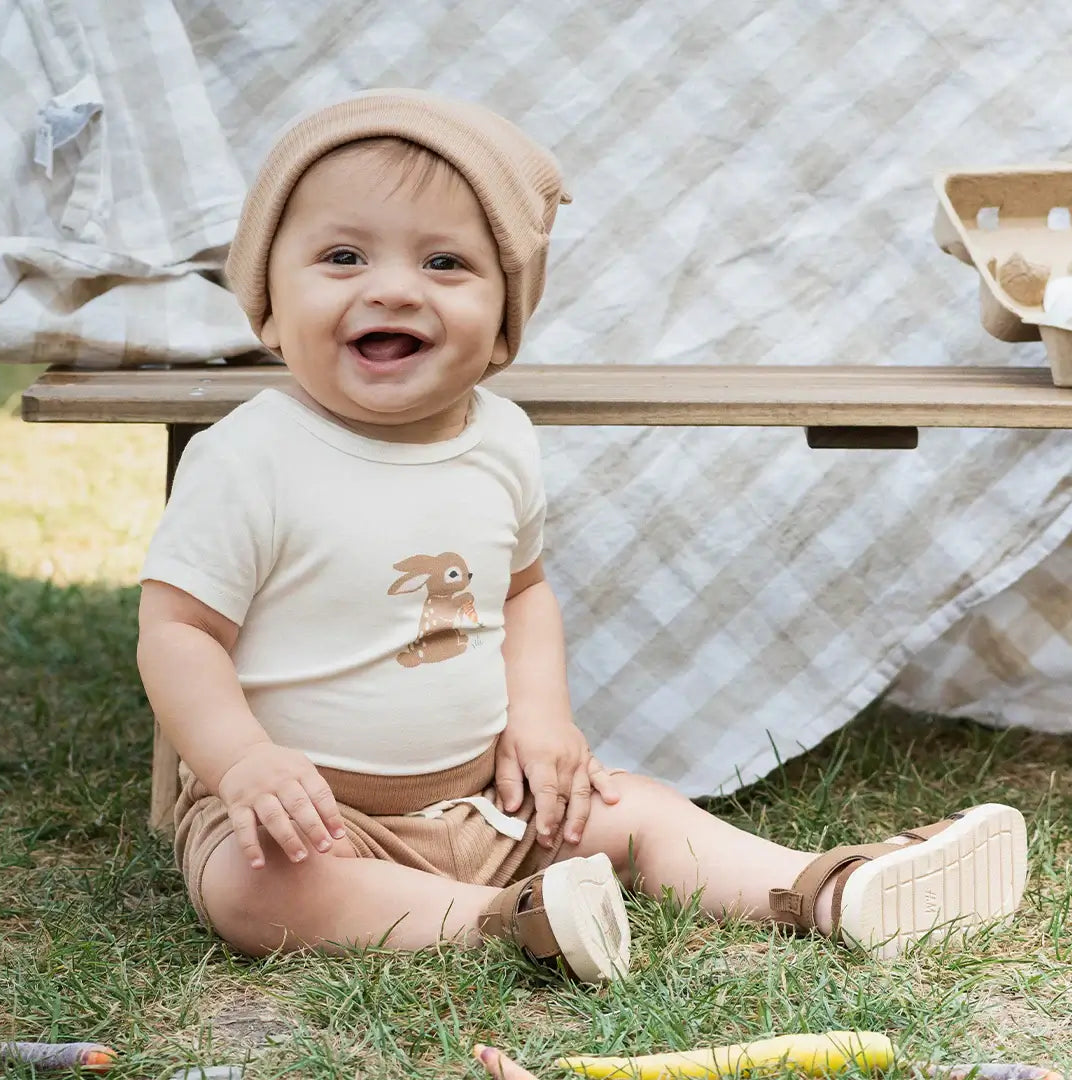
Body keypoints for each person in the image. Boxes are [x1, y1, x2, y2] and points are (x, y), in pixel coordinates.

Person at [136, 89, 1028, 983]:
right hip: (308, 818)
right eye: (342, 256)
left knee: (636, 809)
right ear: (266, 300)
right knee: (253, 891)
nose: (395, 287)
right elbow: (180, 634)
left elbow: (521, 594)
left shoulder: (500, 441)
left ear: (503, 321)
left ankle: (829, 890)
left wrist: (541, 717)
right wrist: (243, 763)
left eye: (446, 262)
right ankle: (502, 921)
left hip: (487, 801)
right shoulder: (249, 457)